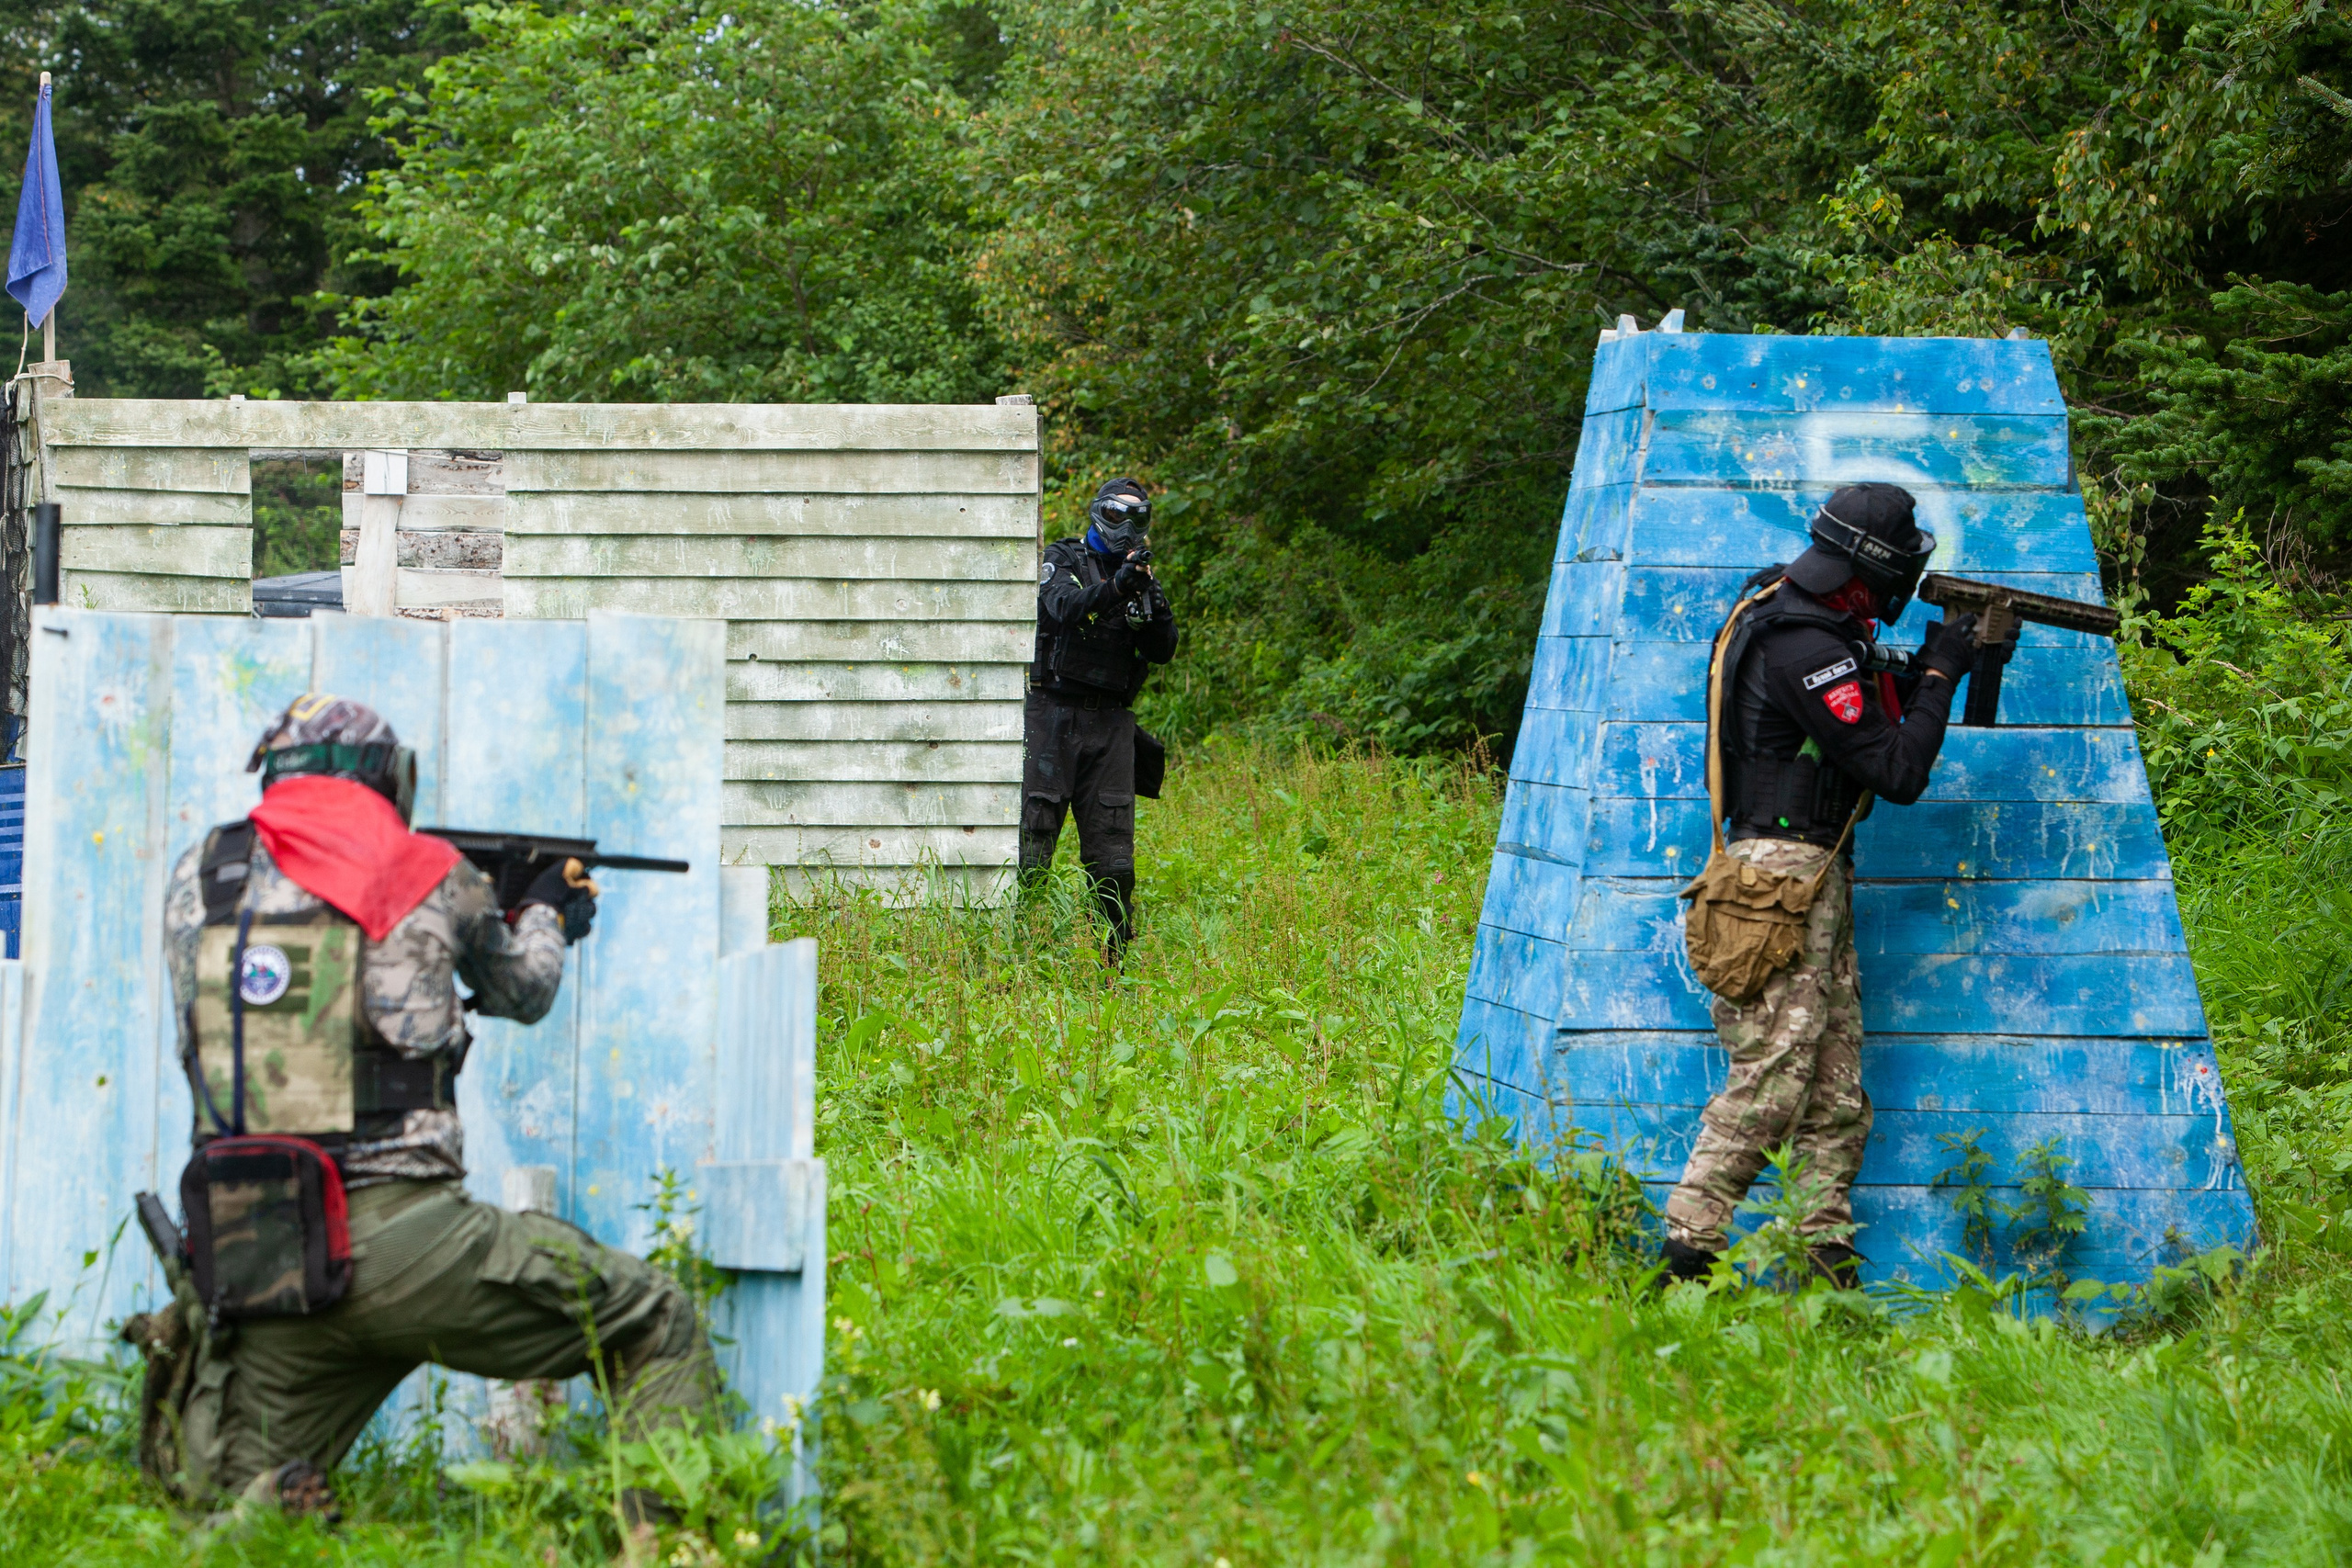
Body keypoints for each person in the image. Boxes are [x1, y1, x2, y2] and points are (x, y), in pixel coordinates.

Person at [126, 694, 717, 1516]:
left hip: (264, 1256)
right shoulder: (428, 870)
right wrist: (543, 913)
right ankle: (669, 1546)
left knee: (215, 1505)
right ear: (387, 778)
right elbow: (523, 990)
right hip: (409, 1245)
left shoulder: (201, 875)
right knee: (657, 1317)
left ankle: (266, 1509)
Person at [1661, 484, 1993, 1289]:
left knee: (1833, 1085)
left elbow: (1867, 721)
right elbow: (1896, 771)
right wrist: (1942, 672)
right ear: (1871, 566)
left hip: (1809, 874)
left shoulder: (1796, 615)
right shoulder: (1804, 643)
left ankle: (1825, 1262)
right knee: (1775, 1076)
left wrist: (1930, 668)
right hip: (1779, 880)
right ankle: (1684, 1256)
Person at [1022, 477, 1178, 962]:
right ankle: (1016, 952)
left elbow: (1164, 650)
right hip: (1052, 716)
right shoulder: (1064, 559)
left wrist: (1151, 606)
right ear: (1098, 513)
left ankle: (1114, 967)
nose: (1125, 527)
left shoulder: (1141, 577)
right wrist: (1116, 587)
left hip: (1110, 724)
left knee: (1114, 859)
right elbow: (1063, 607)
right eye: (1116, 514)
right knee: (1032, 844)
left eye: (1137, 517)